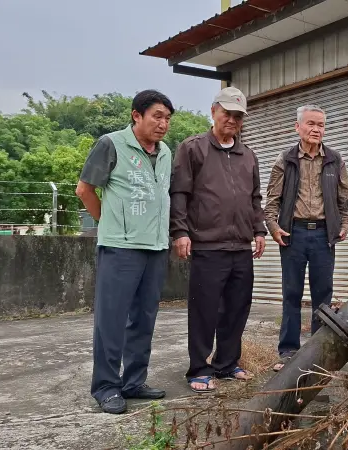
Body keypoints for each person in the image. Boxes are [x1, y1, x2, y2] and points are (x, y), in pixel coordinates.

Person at [76, 90, 175, 414]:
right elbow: (84, 190)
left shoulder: (165, 153)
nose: (163, 124)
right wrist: (108, 223)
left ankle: (134, 381)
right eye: (156, 116)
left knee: (144, 319)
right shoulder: (111, 144)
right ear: (136, 115)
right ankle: (106, 386)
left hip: (156, 248)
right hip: (120, 248)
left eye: (167, 118)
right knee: (112, 320)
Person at [170, 87, 267, 393]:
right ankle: (199, 368)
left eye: (238, 116)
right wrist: (180, 231)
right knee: (204, 310)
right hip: (208, 245)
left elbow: (254, 198)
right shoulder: (192, 148)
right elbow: (180, 193)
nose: (232, 120)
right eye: (227, 113)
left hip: (240, 246)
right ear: (213, 111)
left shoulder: (247, 155)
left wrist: (260, 230)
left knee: (237, 308)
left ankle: (227, 363)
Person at [264, 104, 348, 372]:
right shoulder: (286, 159)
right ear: (298, 127)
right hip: (294, 233)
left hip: (324, 234)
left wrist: (344, 224)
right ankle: (289, 351)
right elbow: (272, 201)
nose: (316, 129)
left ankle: (318, 350)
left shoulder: (335, 160)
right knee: (291, 292)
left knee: (322, 294)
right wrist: (273, 227)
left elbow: (345, 199)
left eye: (321, 125)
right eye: (311, 124)